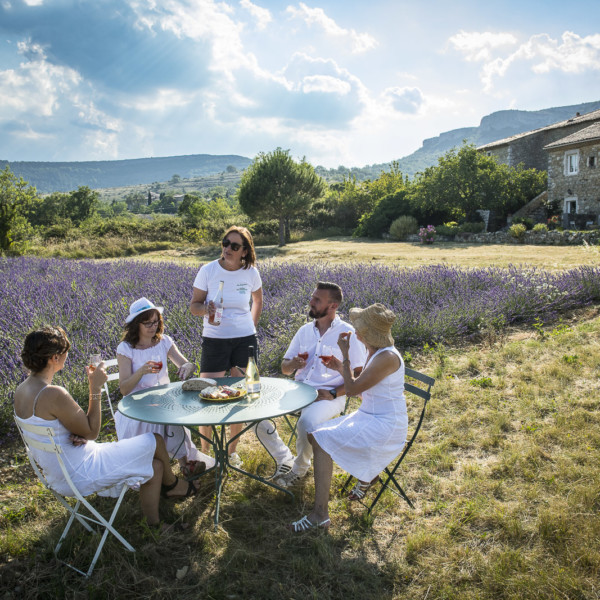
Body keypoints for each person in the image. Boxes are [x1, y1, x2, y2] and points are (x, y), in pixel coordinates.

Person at [13, 326, 198, 532]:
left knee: (155, 466)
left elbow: (53, 426)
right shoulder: (53, 394)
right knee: (154, 439)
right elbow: (92, 432)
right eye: (65, 353)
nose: (67, 356)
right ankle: (173, 486)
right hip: (80, 470)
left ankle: (154, 524)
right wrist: (95, 388)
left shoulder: (22, 390)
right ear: (54, 358)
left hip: (58, 472)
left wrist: (72, 435)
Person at [288, 303, 407, 532]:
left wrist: (344, 355)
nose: (355, 330)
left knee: (320, 440)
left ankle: (320, 515)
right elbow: (361, 388)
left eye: (358, 327)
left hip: (385, 424)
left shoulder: (387, 357)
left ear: (364, 334)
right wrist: (340, 367)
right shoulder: (375, 352)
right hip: (368, 416)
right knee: (317, 436)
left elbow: (352, 390)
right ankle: (368, 474)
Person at [255, 282, 366, 488]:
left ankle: (299, 470)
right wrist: (293, 363)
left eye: (317, 300)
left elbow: (359, 380)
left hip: (330, 394)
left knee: (306, 423)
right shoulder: (304, 331)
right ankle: (283, 456)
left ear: (333, 306)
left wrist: (334, 390)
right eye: (312, 297)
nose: (311, 302)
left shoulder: (348, 334)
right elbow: (285, 368)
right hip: (298, 390)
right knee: (254, 408)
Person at [190, 226, 263, 468]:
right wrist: (206, 310)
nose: (227, 248)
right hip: (215, 339)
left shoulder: (250, 272)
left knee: (240, 396)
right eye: (225, 243)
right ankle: (206, 454)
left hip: (244, 341)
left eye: (234, 246)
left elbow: (258, 299)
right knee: (208, 395)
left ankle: (231, 453)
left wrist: (250, 327)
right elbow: (194, 305)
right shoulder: (208, 270)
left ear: (245, 251)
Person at [116, 297, 214, 475]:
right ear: (136, 325)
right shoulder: (126, 348)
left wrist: (186, 368)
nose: (153, 327)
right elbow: (124, 389)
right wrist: (141, 372)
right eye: (148, 323)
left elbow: (186, 364)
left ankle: (185, 464)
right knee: (164, 415)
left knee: (173, 414)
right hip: (137, 404)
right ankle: (160, 469)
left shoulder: (163, 342)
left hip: (163, 399)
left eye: (156, 321)